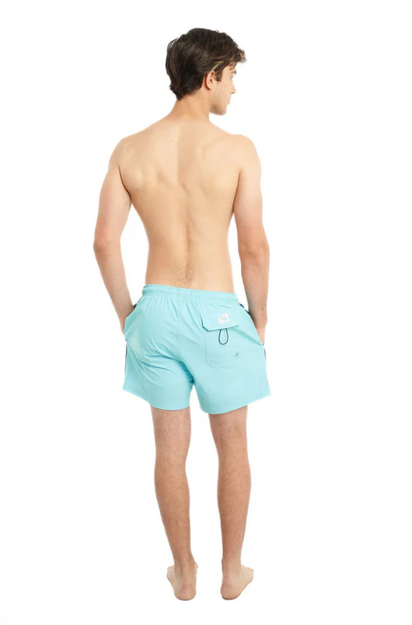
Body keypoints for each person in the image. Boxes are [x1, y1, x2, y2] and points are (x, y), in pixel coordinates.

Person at [93, 27, 271, 601]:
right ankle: (232, 572)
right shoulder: (237, 150)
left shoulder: (130, 149)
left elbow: (104, 242)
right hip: (220, 317)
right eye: (232, 76)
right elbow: (253, 247)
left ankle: (184, 573)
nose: (235, 89)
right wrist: (259, 319)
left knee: (169, 449)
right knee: (233, 445)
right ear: (209, 75)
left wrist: (128, 316)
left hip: (155, 312)